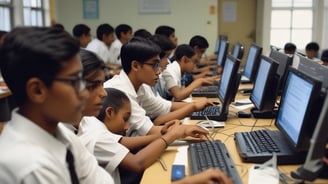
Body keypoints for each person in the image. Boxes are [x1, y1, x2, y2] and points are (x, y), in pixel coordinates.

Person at [0, 27, 114, 183]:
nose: (84, 93)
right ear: (38, 90)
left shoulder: (62, 134)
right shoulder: (31, 167)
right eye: (74, 81)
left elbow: (101, 180)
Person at [94, 87, 232, 184]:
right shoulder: (94, 134)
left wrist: (172, 133)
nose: (127, 127)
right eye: (125, 119)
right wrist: (171, 136)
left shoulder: (92, 124)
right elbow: (137, 163)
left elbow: (124, 142)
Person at [104, 37, 210, 137]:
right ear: (135, 66)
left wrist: (194, 106)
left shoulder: (141, 86)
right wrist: (184, 129)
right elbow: (150, 130)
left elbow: (164, 107)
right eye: (154, 65)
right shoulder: (121, 91)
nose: (159, 71)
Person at [145, 34, 214, 125]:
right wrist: (199, 82)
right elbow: (178, 96)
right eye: (165, 57)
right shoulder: (168, 71)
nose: (167, 62)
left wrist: (194, 106)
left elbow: (164, 107)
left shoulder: (151, 82)